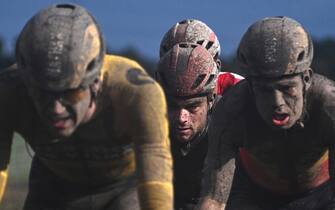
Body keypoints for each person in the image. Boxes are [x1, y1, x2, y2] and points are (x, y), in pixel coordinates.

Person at [0, 3, 173, 210]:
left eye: (71, 93)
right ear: (27, 84)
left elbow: (155, 178)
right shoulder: (8, 92)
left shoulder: (135, 94)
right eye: (43, 93)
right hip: (52, 187)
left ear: (96, 83)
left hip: (122, 190)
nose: (56, 109)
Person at [197, 16, 335, 210]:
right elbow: (213, 199)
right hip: (253, 197)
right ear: (251, 87)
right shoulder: (232, 112)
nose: (277, 103)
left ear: (306, 79)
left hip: (323, 195)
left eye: (287, 88)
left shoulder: (329, 104)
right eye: (265, 90)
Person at [156, 43, 241, 210]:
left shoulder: (234, 126)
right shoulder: (146, 124)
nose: (182, 118)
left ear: (211, 100)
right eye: (172, 106)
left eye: (192, 107)